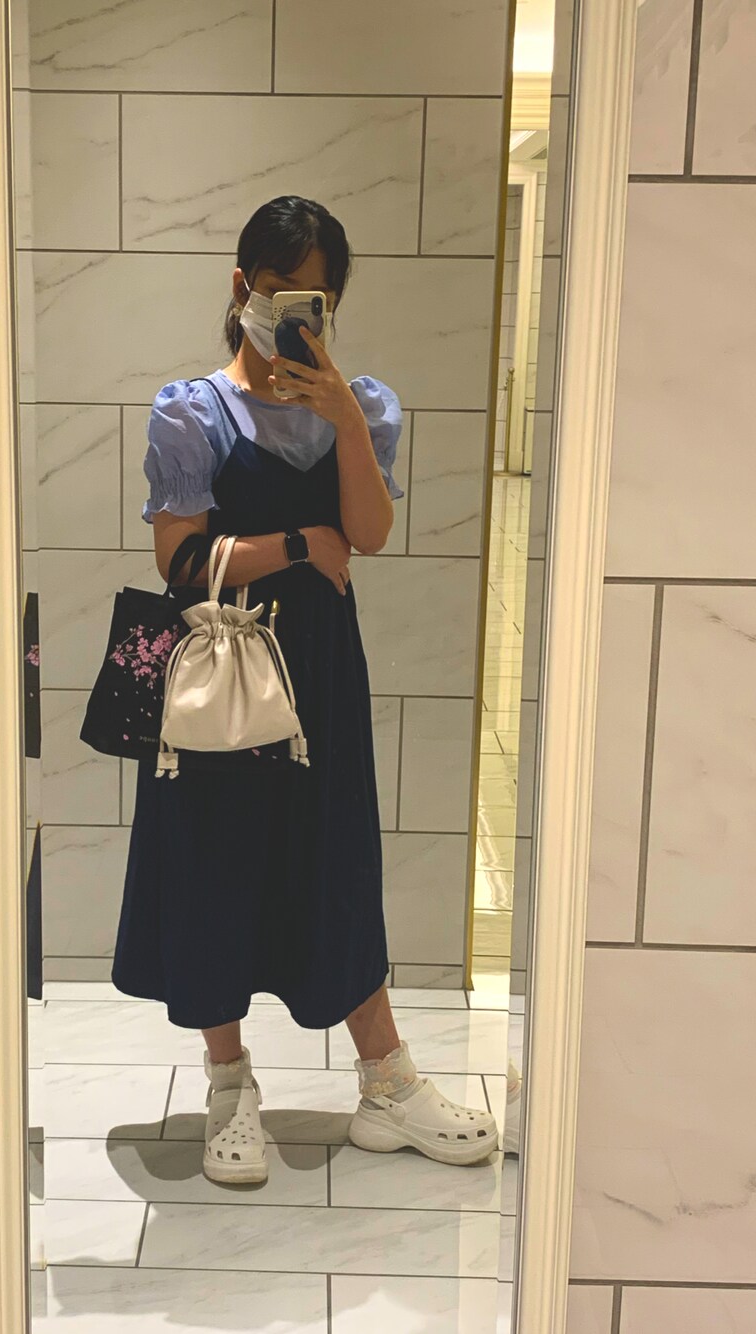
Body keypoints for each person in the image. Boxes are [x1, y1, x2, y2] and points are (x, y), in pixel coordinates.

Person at [112, 195, 498, 1183]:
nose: (290, 308)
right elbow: (178, 560)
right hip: (220, 668)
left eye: (313, 296)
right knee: (216, 861)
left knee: (333, 858)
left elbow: (368, 534)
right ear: (242, 285)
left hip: (319, 672)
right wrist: (295, 543)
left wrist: (343, 424)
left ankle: (387, 1083)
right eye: (277, 288)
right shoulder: (190, 410)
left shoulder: (361, 406)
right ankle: (228, 1083)